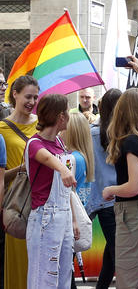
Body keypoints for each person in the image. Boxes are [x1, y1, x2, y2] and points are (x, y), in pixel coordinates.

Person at [102, 87, 138, 288]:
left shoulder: (131, 142)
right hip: (137, 211)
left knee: (127, 278)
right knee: (131, 275)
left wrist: (111, 190)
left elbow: (134, 186)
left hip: (132, 212)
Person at [25, 94, 78, 289]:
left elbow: (67, 188)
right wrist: (63, 168)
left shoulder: (60, 143)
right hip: (44, 218)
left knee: (63, 277)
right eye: (68, 112)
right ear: (61, 117)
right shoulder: (34, 144)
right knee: (43, 278)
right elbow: (46, 158)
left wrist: (73, 218)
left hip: (63, 216)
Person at [1, 74, 40, 288]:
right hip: (16, 206)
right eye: (28, 97)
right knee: (18, 264)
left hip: (42, 204)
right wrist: (21, 169)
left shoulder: (42, 125)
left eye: (35, 97)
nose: (32, 102)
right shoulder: (2, 130)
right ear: (14, 94)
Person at [86, 88, 120, 289]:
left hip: (98, 195)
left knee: (112, 252)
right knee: (117, 254)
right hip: (113, 198)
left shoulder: (93, 133)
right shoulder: (117, 134)